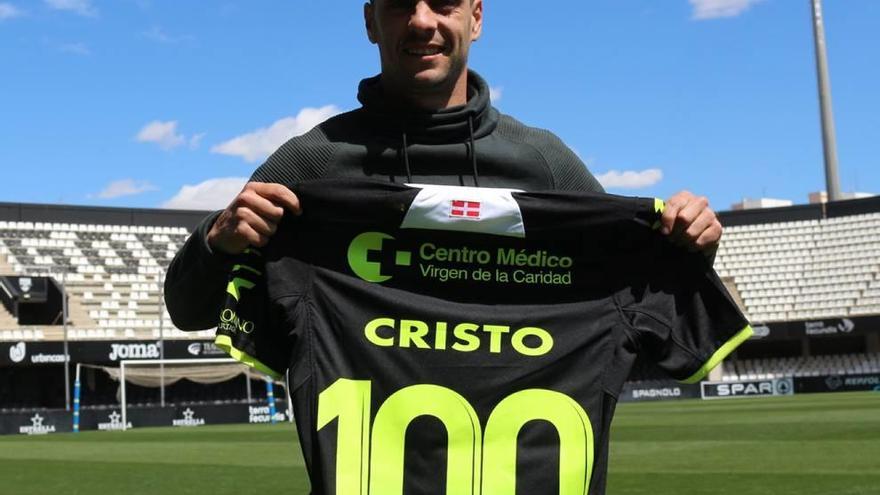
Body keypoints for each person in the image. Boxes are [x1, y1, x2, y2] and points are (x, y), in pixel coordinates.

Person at [165, 0, 722, 334]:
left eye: (444, 3)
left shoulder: (544, 162)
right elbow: (190, 311)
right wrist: (217, 242)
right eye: (400, 4)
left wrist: (687, 244)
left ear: (476, 18)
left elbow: (636, 302)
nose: (422, 21)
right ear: (370, 22)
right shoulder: (312, 162)